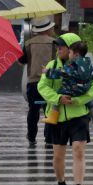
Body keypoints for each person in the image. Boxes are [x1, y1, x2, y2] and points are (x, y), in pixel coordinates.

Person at [38, 33, 93, 185]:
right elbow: (42, 86)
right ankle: (61, 183)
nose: (58, 49)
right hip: (56, 117)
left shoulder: (86, 66)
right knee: (58, 155)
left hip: (79, 115)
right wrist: (58, 99)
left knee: (79, 150)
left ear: (73, 49)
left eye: (62, 47)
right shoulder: (52, 66)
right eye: (57, 46)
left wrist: (77, 100)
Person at [44, 41, 93, 133]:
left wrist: (47, 72)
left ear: (76, 55)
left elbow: (61, 73)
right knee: (90, 104)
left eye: (70, 53)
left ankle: (53, 117)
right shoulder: (90, 65)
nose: (69, 55)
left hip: (72, 90)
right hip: (84, 90)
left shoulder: (72, 66)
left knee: (58, 96)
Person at [18, 16, 57, 148]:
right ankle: (49, 138)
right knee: (49, 110)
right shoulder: (55, 43)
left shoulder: (28, 44)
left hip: (34, 82)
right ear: (48, 29)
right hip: (50, 83)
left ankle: (32, 137)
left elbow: (21, 61)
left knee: (33, 111)